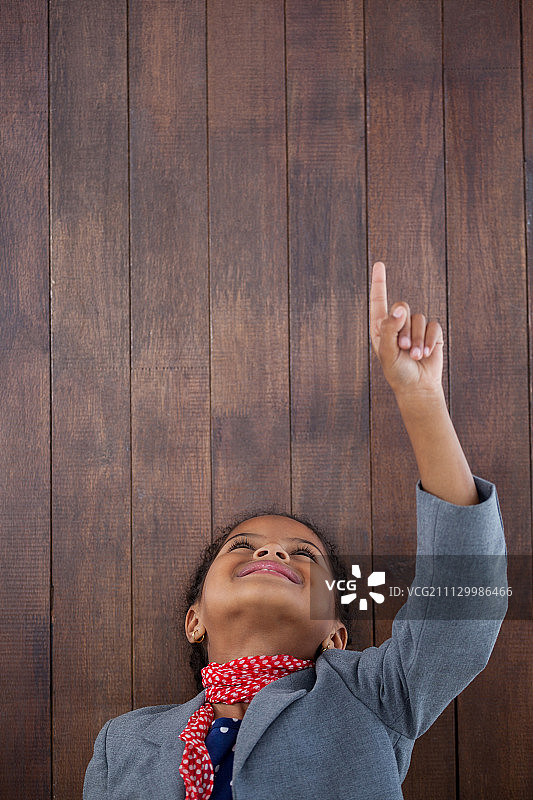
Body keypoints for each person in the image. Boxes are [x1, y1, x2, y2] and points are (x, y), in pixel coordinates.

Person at [83, 261, 508, 799]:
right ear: (195, 619)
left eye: (303, 554)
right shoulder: (122, 744)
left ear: (335, 633)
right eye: (244, 546)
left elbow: (463, 607)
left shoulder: (373, 696)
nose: (273, 552)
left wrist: (421, 401)